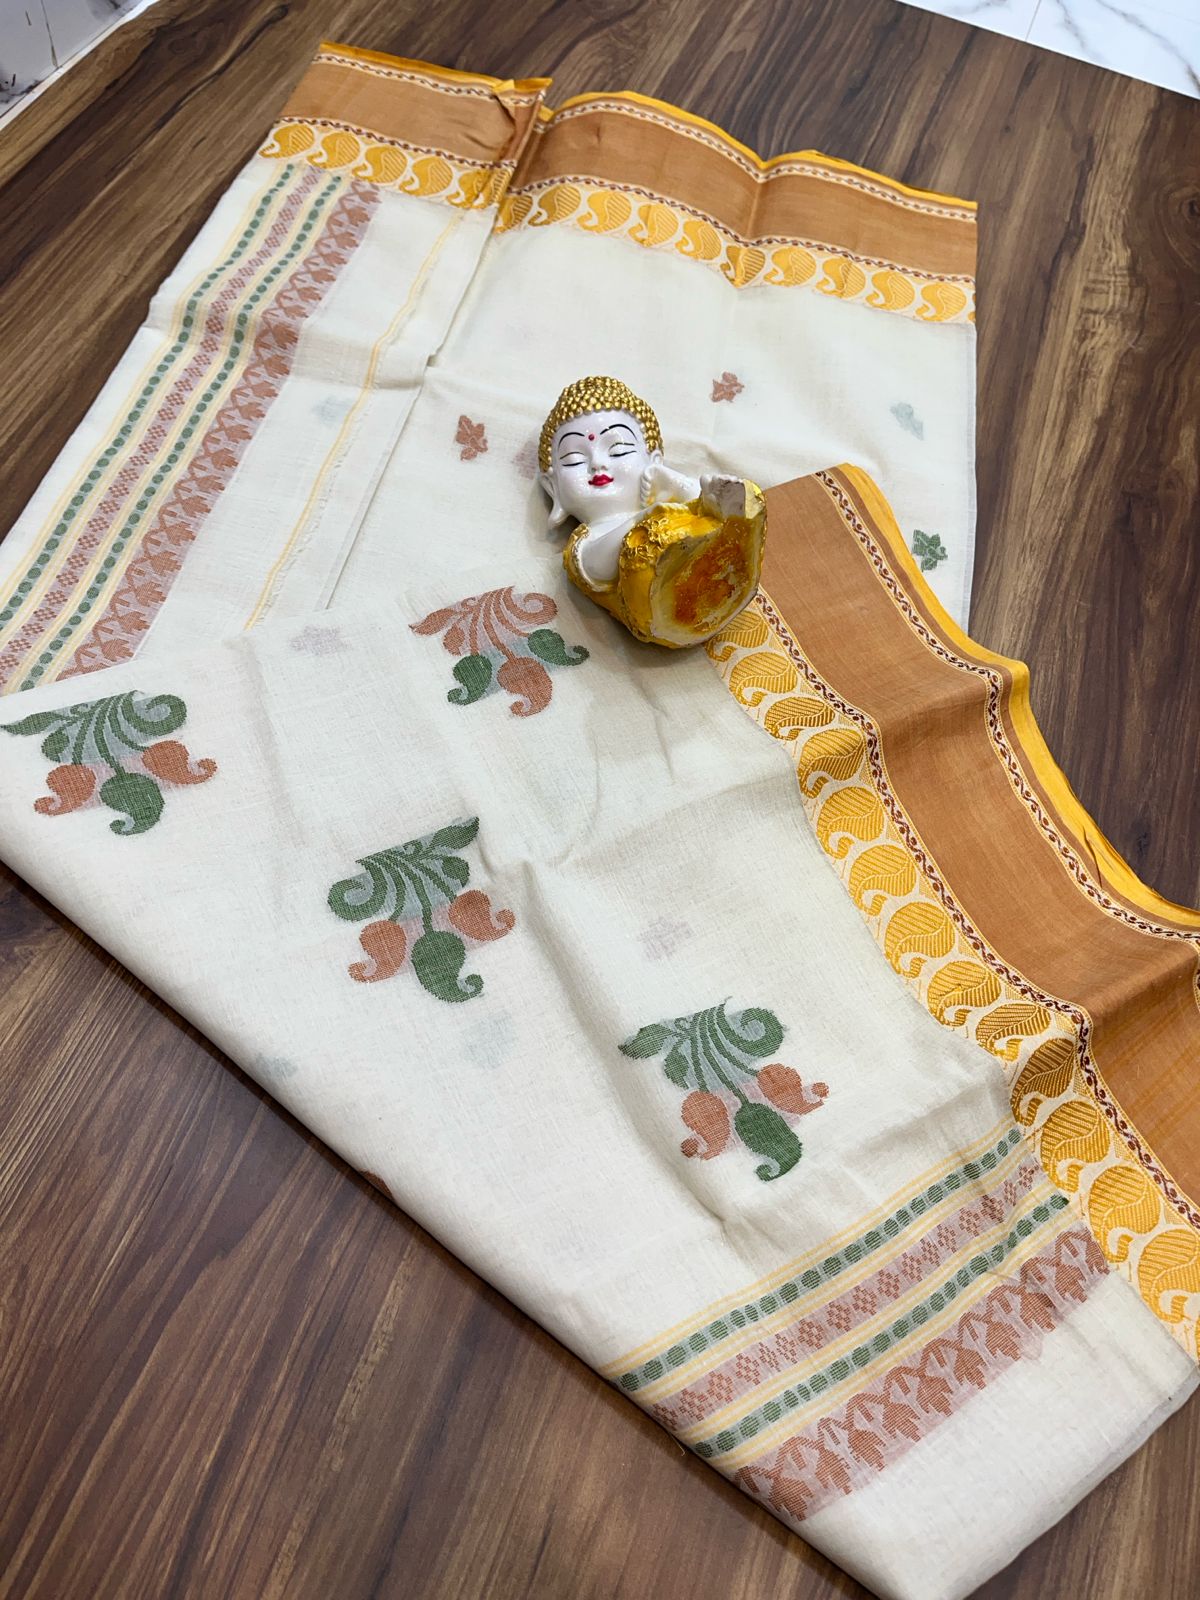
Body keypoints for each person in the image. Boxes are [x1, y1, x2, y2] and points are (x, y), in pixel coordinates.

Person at [538, 375, 766, 648]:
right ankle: (724, 536)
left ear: (653, 460)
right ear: (553, 487)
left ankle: (737, 530)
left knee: (711, 504)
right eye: (574, 459)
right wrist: (642, 520)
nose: (597, 464)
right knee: (642, 549)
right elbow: (595, 567)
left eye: (618, 451)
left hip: (712, 567)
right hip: (656, 606)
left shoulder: (664, 502)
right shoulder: (585, 539)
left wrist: (672, 482)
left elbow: (692, 503)